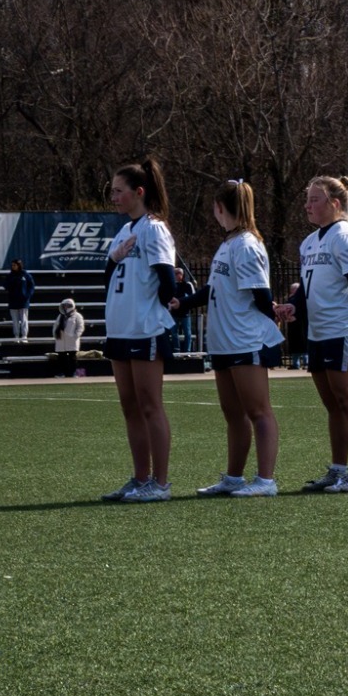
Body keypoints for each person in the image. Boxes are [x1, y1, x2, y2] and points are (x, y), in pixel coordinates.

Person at [177, 179, 285, 498]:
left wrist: (276, 310)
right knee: (232, 413)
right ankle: (234, 478)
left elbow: (261, 294)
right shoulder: (228, 243)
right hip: (224, 341)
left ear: (220, 208)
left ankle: (266, 481)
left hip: (246, 340)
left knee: (258, 411)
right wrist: (182, 303)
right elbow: (214, 289)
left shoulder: (247, 244)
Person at [281, 175, 348, 492]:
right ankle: (337, 470)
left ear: (334, 204)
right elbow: (308, 289)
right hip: (320, 331)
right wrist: (293, 306)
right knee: (332, 405)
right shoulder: (309, 242)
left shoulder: (345, 236)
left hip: (345, 329)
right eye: (306, 199)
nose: (307, 205)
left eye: (314, 200)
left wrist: (335, 304)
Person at [99, 158, 180, 503]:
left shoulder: (153, 228)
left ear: (139, 192)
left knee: (150, 406)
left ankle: (159, 484)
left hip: (144, 329)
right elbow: (109, 278)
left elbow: (166, 280)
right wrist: (113, 258)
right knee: (130, 407)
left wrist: (160, 304)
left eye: (119, 191)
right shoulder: (125, 230)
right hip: (120, 330)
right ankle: (139, 477)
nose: (114, 197)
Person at [2, 260, 33, 343]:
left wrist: (27, 296)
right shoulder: (10, 276)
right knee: (15, 320)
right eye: (12, 265)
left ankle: (24, 336)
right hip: (13, 301)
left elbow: (31, 286)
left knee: (24, 319)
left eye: (15, 265)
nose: (13, 267)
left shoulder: (25, 275)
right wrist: (11, 282)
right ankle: (16, 336)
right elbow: (5, 285)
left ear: (19, 265)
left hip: (23, 301)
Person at [53, 297, 84, 375]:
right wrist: (55, 335)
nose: (65, 307)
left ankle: (73, 373)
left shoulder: (77, 316)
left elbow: (80, 327)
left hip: (72, 341)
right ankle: (62, 373)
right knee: (61, 357)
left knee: (72, 358)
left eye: (67, 305)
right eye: (64, 305)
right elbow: (55, 326)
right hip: (61, 339)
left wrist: (75, 336)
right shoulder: (60, 316)